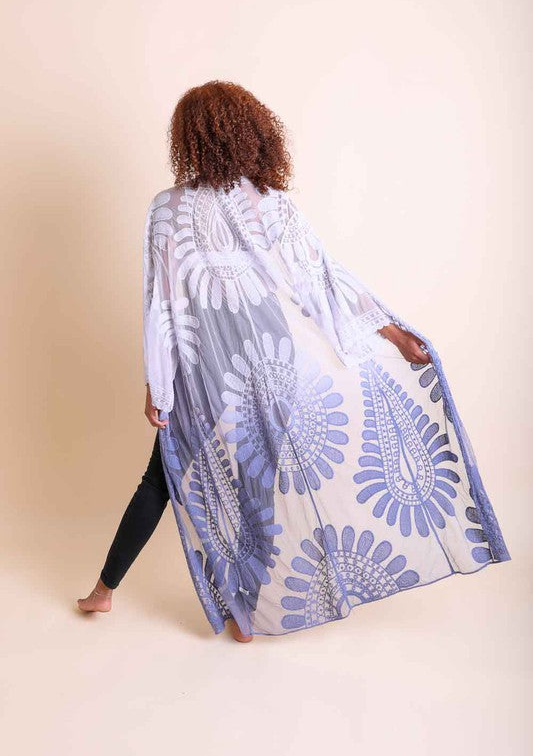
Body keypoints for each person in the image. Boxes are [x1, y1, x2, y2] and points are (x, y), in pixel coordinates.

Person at [78, 81, 510, 642]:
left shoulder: (168, 208)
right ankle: (239, 613)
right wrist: (395, 335)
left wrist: (157, 387)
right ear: (251, 131)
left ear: (189, 139)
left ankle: (112, 592)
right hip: (278, 365)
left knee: (163, 478)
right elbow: (323, 282)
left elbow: (162, 306)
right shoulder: (272, 203)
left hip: (209, 369)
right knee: (258, 482)